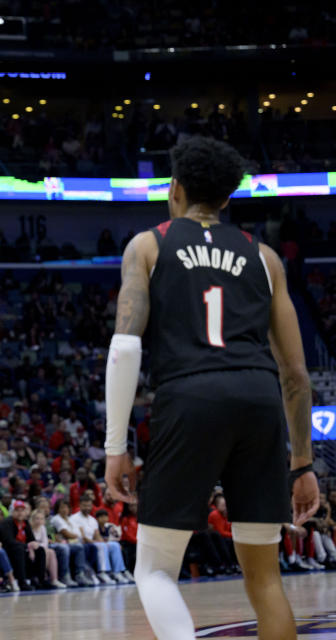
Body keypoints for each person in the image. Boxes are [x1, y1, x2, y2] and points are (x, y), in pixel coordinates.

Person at [104, 136, 320, 640]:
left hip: (191, 394)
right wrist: (303, 462)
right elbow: (296, 373)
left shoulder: (149, 244)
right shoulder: (263, 257)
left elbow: (125, 349)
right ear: (227, 199)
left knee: (155, 569)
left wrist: (116, 448)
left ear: (174, 189)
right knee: (265, 580)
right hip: (258, 396)